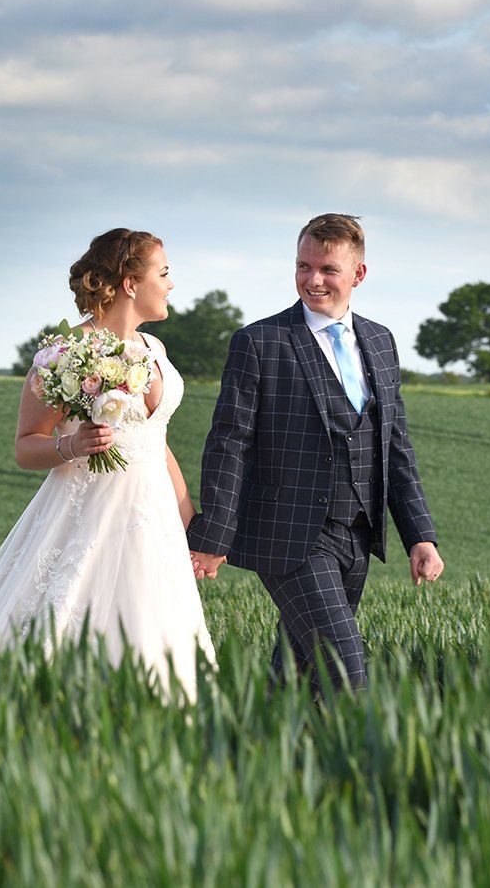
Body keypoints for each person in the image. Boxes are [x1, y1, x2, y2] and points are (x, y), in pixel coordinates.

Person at [0, 228, 216, 702]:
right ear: (131, 283)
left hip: (154, 522)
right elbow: (26, 446)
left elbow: (158, 442)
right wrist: (72, 446)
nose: (171, 284)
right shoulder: (64, 355)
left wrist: (192, 523)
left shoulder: (156, 350)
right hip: (87, 515)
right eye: (164, 273)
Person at [187, 213, 443, 693]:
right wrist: (214, 534)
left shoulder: (381, 341)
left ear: (358, 274)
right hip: (287, 534)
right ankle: (363, 746)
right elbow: (229, 442)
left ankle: (261, 735)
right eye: (303, 266)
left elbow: (396, 446)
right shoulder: (259, 342)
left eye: (328, 269)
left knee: (299, 673)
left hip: (357, 534)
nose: (313, 279)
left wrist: (420, 536)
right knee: (348, 673)